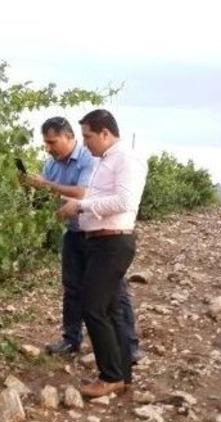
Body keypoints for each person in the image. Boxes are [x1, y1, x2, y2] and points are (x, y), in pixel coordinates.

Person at [22, 117, 141, 361]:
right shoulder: (52, 165)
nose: (48, 148)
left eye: (52, 142)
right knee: (72, 286)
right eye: (45, 142)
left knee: (113, 293)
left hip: (102, 236)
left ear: (68, 137)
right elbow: (49, 198)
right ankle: (71, 339)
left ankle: (128, 347)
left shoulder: (92, 158)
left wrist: (47, 185)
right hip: (75, 232)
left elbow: (82, 193)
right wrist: (34, 189)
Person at [57, 109, 148, 398]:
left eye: (89, 136)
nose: (86, 143)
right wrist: (74, 202)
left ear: (106, 133)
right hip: (99, 241)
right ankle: (121, 375)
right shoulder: (105, 160)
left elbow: (124, 201)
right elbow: (99, 197)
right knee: (110, 309)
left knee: (93, 307)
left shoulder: (126, 159)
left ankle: (109, 377)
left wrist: (80, 207)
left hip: (113, 243)